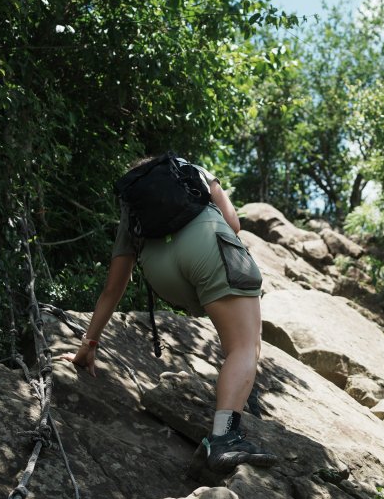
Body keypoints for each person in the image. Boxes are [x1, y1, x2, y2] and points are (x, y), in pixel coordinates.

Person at [64, 155, 276, 473]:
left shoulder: (133, 206)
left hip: (161, 274)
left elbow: (113, 287)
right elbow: (233, 223)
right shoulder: (189, 169)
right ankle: (225, 438)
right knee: (245, 346)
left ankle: (237, 395)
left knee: (231, 331)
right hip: (206, 246)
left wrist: (88, 344)